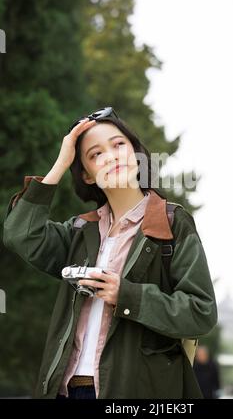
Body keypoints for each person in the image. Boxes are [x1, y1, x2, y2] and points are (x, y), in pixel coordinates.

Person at [3, 106, 218, 399]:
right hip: (66, 390)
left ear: (137, 154)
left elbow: (201, 311)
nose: (112, 155)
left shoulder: (171, 223)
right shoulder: (79, 230)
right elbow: (20, 234)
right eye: (95, 154)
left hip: (134, 392)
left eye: (118, 145)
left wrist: (126, 295)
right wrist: (61, 163)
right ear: (87, 175)